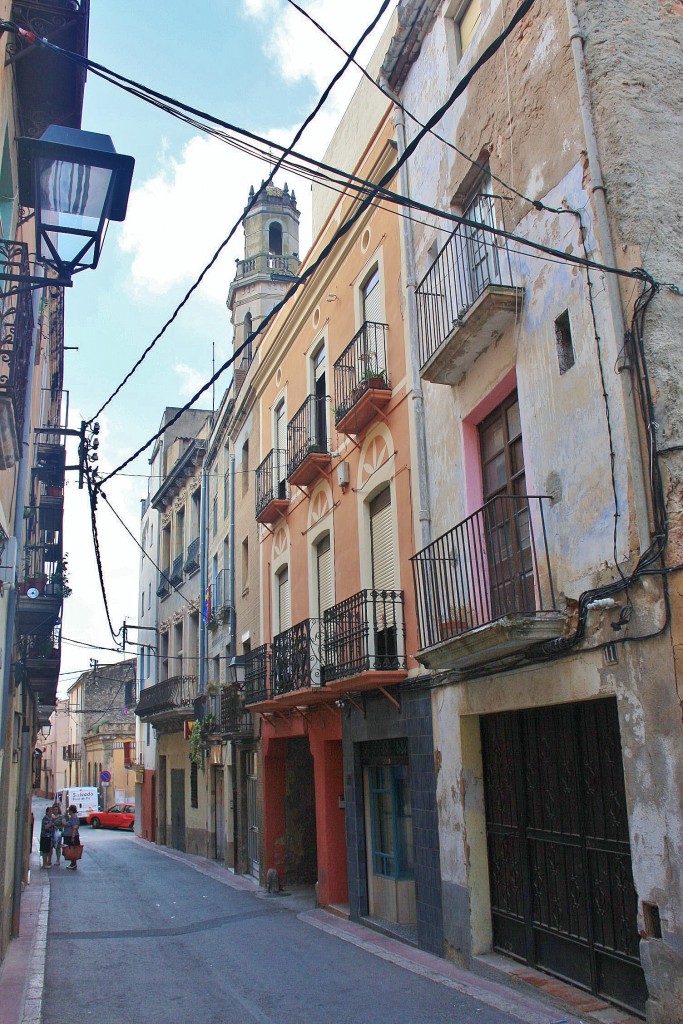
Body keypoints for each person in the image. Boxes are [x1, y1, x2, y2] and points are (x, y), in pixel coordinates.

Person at [62, 804, 81, 871]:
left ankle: (73, 864)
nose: (68, 812)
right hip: (68, 836)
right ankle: (72, 863)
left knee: (72, 850)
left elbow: (75, 828)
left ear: (71, 811)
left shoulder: (74, 818)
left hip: (72, 837)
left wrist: (72, 837)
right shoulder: (71, 818)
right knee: (70, 850)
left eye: (69, 811)